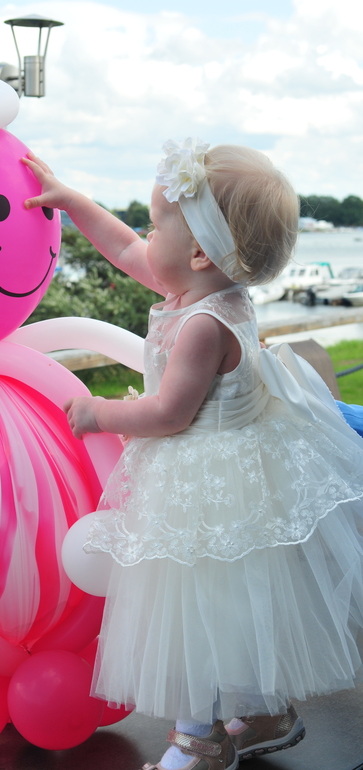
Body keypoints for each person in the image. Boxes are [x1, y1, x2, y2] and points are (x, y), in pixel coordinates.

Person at [23, 139, 363, 770]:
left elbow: (168, 414)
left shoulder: (205, 323)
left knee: (194, 612)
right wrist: (72, 202)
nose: (145, 237)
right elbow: (126, 248)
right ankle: (263, 712)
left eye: (157, 225)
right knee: (231, 609)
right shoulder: (204, 288)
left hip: (207, 483)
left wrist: (100, 413)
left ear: (200, 253)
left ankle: (201, 740)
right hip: (223, 471)